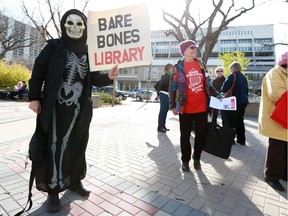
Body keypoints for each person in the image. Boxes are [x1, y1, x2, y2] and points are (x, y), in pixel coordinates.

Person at [27, 9, 119, 213]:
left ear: (85, 27)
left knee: (77, 145)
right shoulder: (54, 47)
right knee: (55, 145)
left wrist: (109, 77)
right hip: (54, 107)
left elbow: (93, 78)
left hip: (79, 109)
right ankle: (53, 189)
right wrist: (34, 97)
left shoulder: (90, 50)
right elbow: (39, 70)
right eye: (71, 23)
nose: (75, 27)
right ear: (64, 26)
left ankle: (74, 180)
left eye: (80, 24)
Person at [169, 40, 219, 171]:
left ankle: (197, 157)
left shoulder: (201, 64)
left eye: (195, 48)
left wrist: (217, 94)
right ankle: (185, 160)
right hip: (185, 108)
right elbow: (172, 87)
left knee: (202, 134)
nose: (194, 49)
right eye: (191, 47)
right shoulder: (178, 67)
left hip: (202, 107)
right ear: (184, 50)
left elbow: (208, 83)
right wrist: (172, 105)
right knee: (185, 136)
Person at [258, 52, 287, 192]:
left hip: (284, 117)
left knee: (284, 147)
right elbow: (276, 93)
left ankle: (284, 173)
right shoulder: (275, 73)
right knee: (276, 147)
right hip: (275, 117)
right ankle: (271, 176)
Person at [221, 62, 249, 145]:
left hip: (234, 102)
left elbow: (224, 88)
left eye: (230, 69)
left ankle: (231, 139)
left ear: (233, 69)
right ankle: (241, 139)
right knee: (240, 121)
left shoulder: (232, 76)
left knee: (231, 121)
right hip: (243, 101)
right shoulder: (243, 77)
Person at [157, 63, 173, 133]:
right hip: (163, 94)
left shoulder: (171, 76)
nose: (173, 69)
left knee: (165, 111)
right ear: (168, 68)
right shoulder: (165, 76)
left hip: (168, 95)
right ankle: (160, 127)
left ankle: (163, 126)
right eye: (171, 68)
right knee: (162, 111)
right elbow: (160, 85)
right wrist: (158, 94)